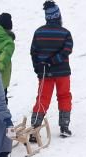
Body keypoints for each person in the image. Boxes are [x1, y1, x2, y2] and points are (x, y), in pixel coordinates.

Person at [30, 1, 74, 136]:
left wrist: (38, 67)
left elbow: (33, 52)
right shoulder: (65, 33)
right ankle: (64, 127)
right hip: (62, 72)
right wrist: (53, 61)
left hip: (45, 72)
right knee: (64, 96)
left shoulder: (39, 32)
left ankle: (34, 129)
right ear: (58, 16)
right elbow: (66, 50)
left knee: (42, 98)